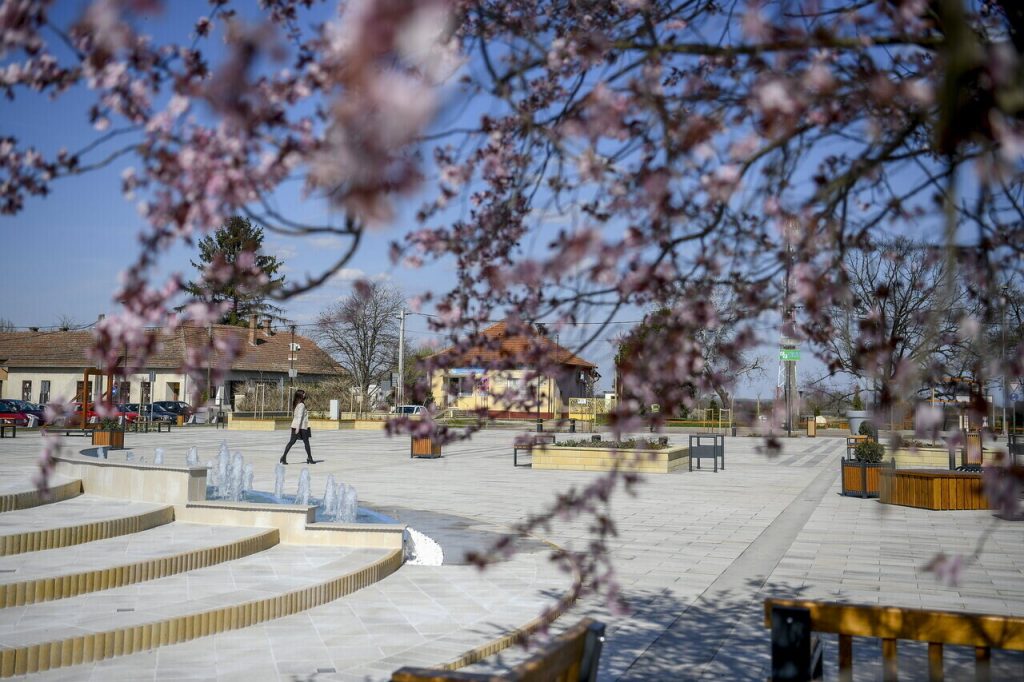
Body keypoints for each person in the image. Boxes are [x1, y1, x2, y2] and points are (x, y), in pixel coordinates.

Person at [280, 389, 315, 465]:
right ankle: (309, 458)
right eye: (303, 394)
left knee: (291, 442)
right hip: (301, 427)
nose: (304, 395)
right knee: (306, 442)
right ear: (300, 395)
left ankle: (283, 457)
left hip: (295, 426)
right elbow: (299, 417)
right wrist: (298, 428)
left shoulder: (296, 404)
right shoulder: (301, 405)